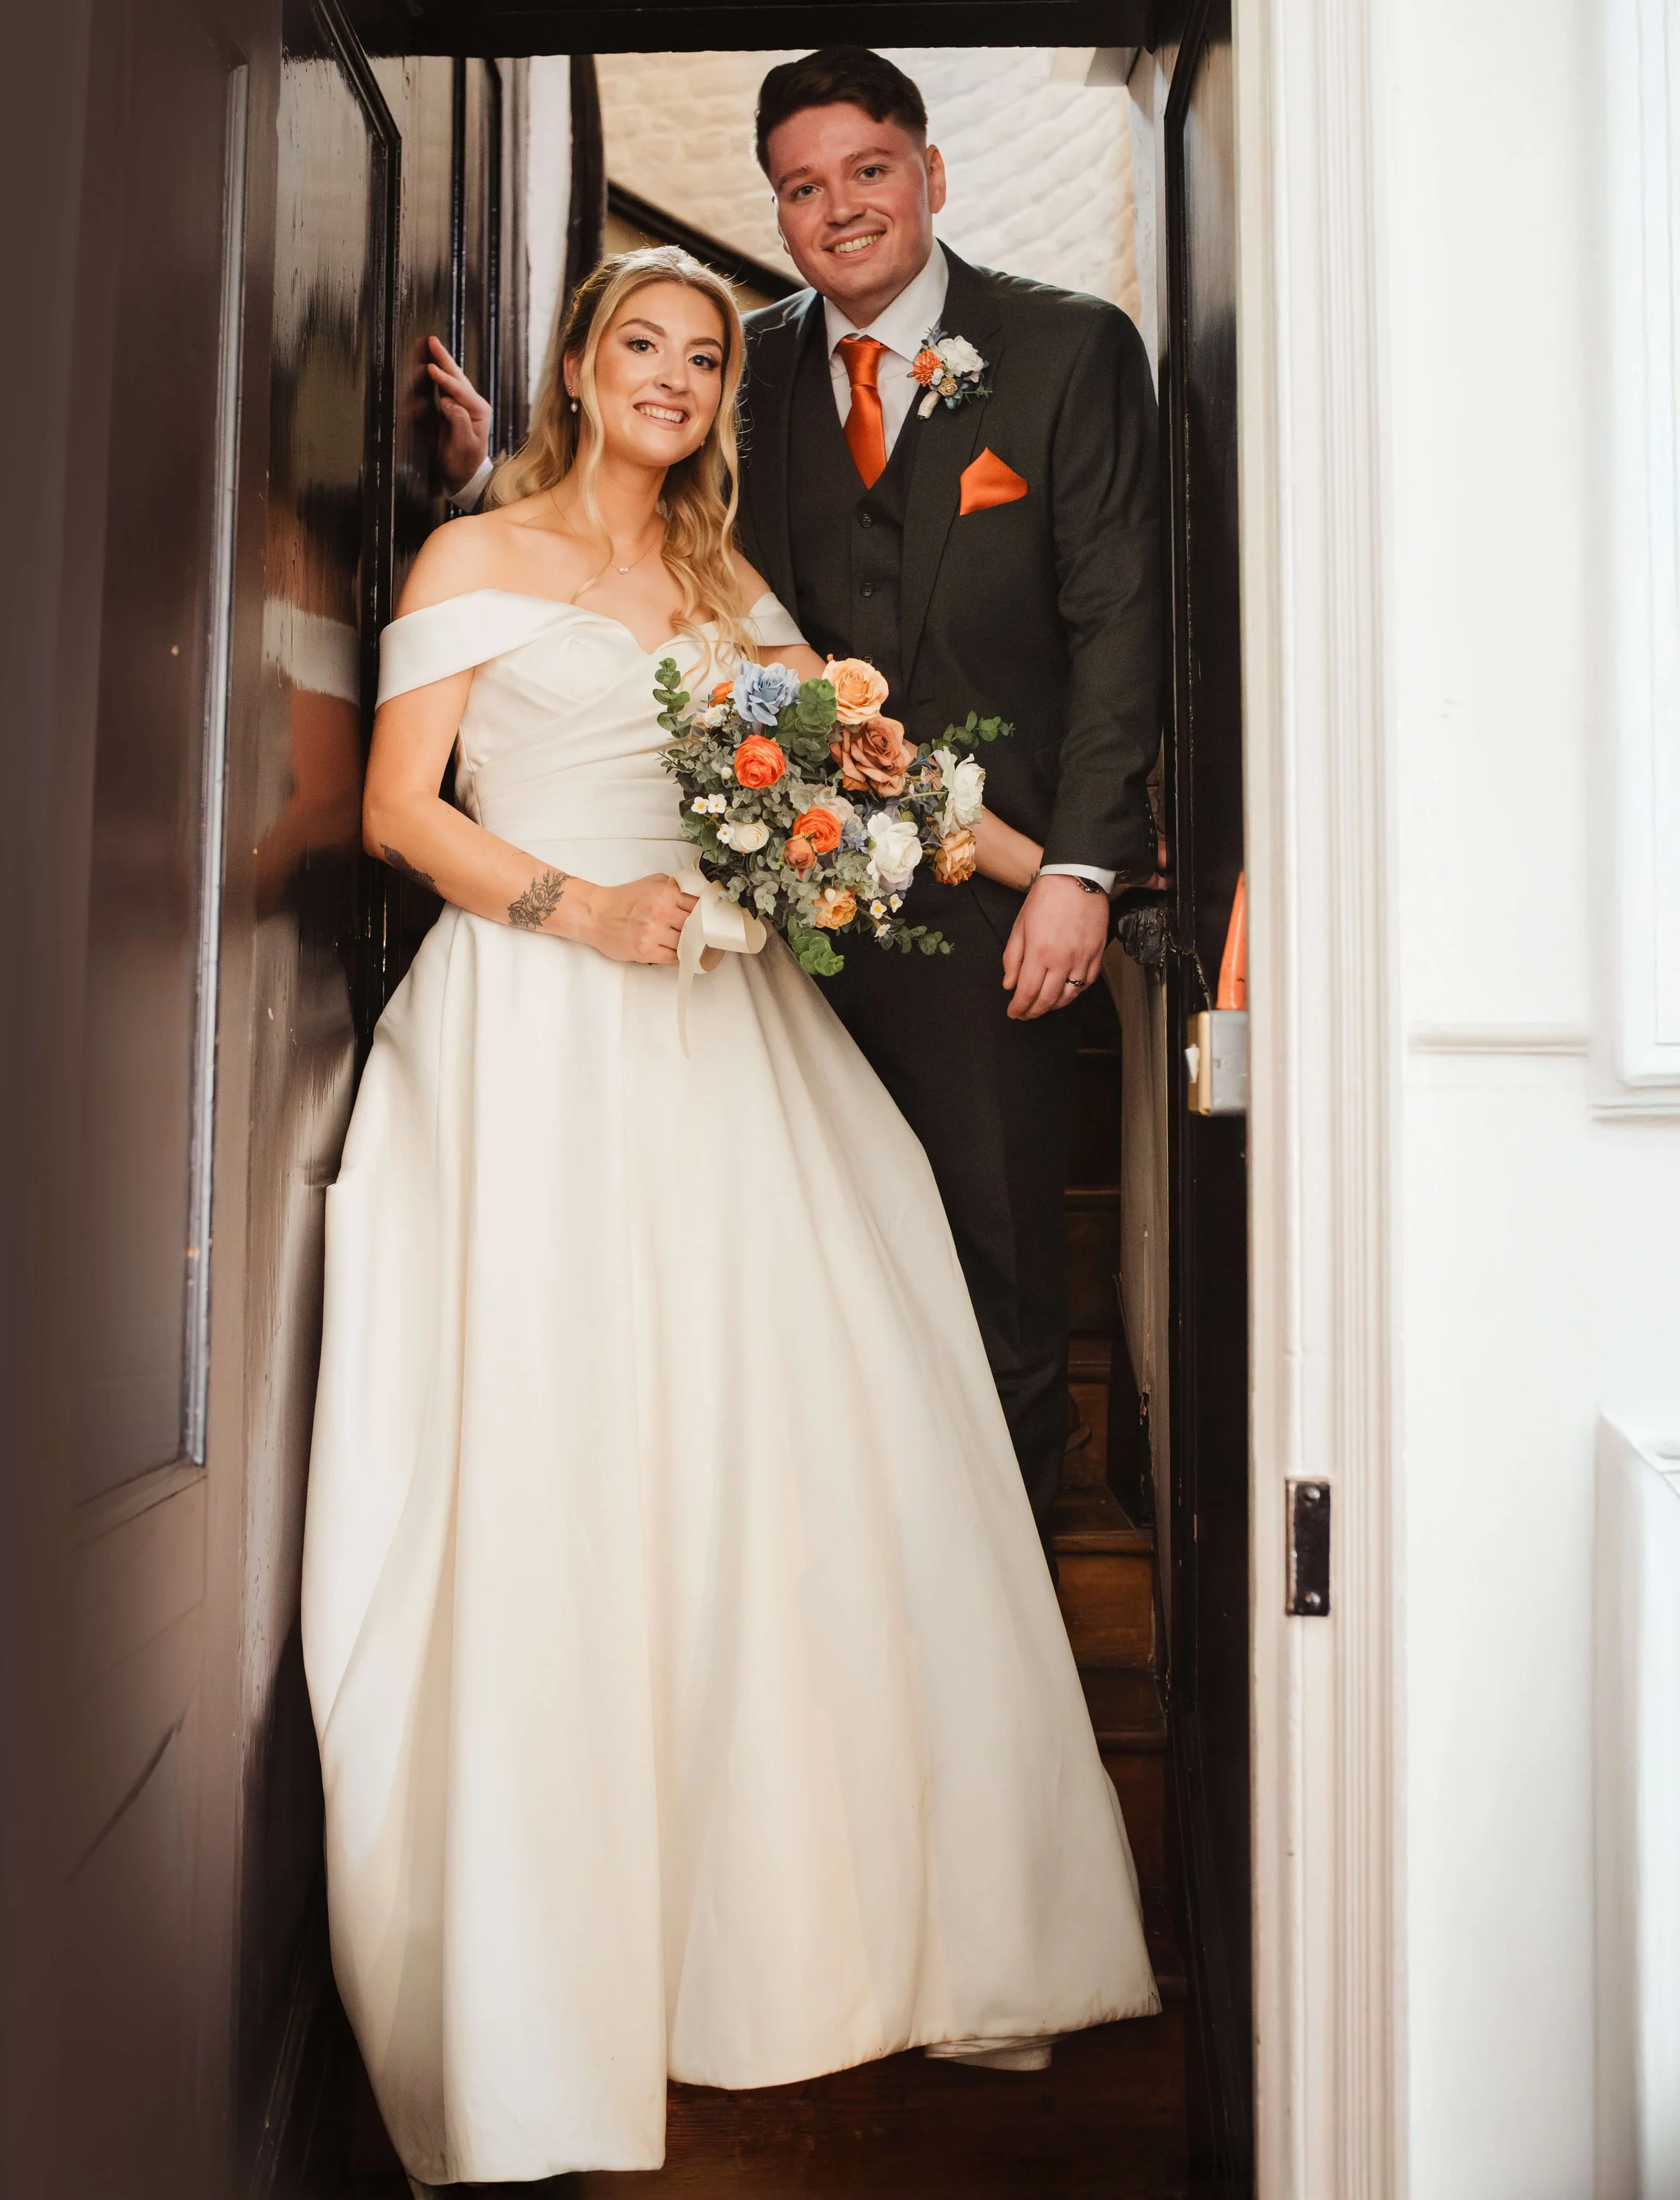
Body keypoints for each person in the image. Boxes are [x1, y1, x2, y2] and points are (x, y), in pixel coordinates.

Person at [301, 245, 1157, 2192]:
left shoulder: (725, 590)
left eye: (705, 354)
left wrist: (1077, 869)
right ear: (580, 372)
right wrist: (574, 910)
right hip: (536, 1026)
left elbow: (888, 777)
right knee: (561, 1443)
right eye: (644, 346)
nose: (678, 377)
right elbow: (396, 809)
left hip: (725, 1034)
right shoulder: (473, 559)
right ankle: (553, 1939)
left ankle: (788, 1913)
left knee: (774, 1461)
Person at [447, 48, 1161, 1543]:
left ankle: (1009, 1571)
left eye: (867, 170)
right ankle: (848, 1551)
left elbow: (1119, 631)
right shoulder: (737, 366)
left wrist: (1077, 875)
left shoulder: (1066, 350)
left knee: (999, 1247)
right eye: (800, 187)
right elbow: (623, 522)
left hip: (989, 909)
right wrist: (478, 492)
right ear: (773, 214)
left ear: (929, 173)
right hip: (761, 910)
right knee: (808, 1264)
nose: (837, 209)